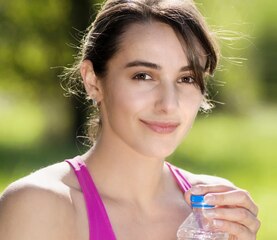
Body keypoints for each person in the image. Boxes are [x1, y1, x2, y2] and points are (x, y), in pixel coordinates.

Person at [0, 0, 260, 239]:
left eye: (186, 79)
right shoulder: (40, 205)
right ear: (93, 81)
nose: (168, 104)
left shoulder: (212, 209)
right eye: (143, 76)